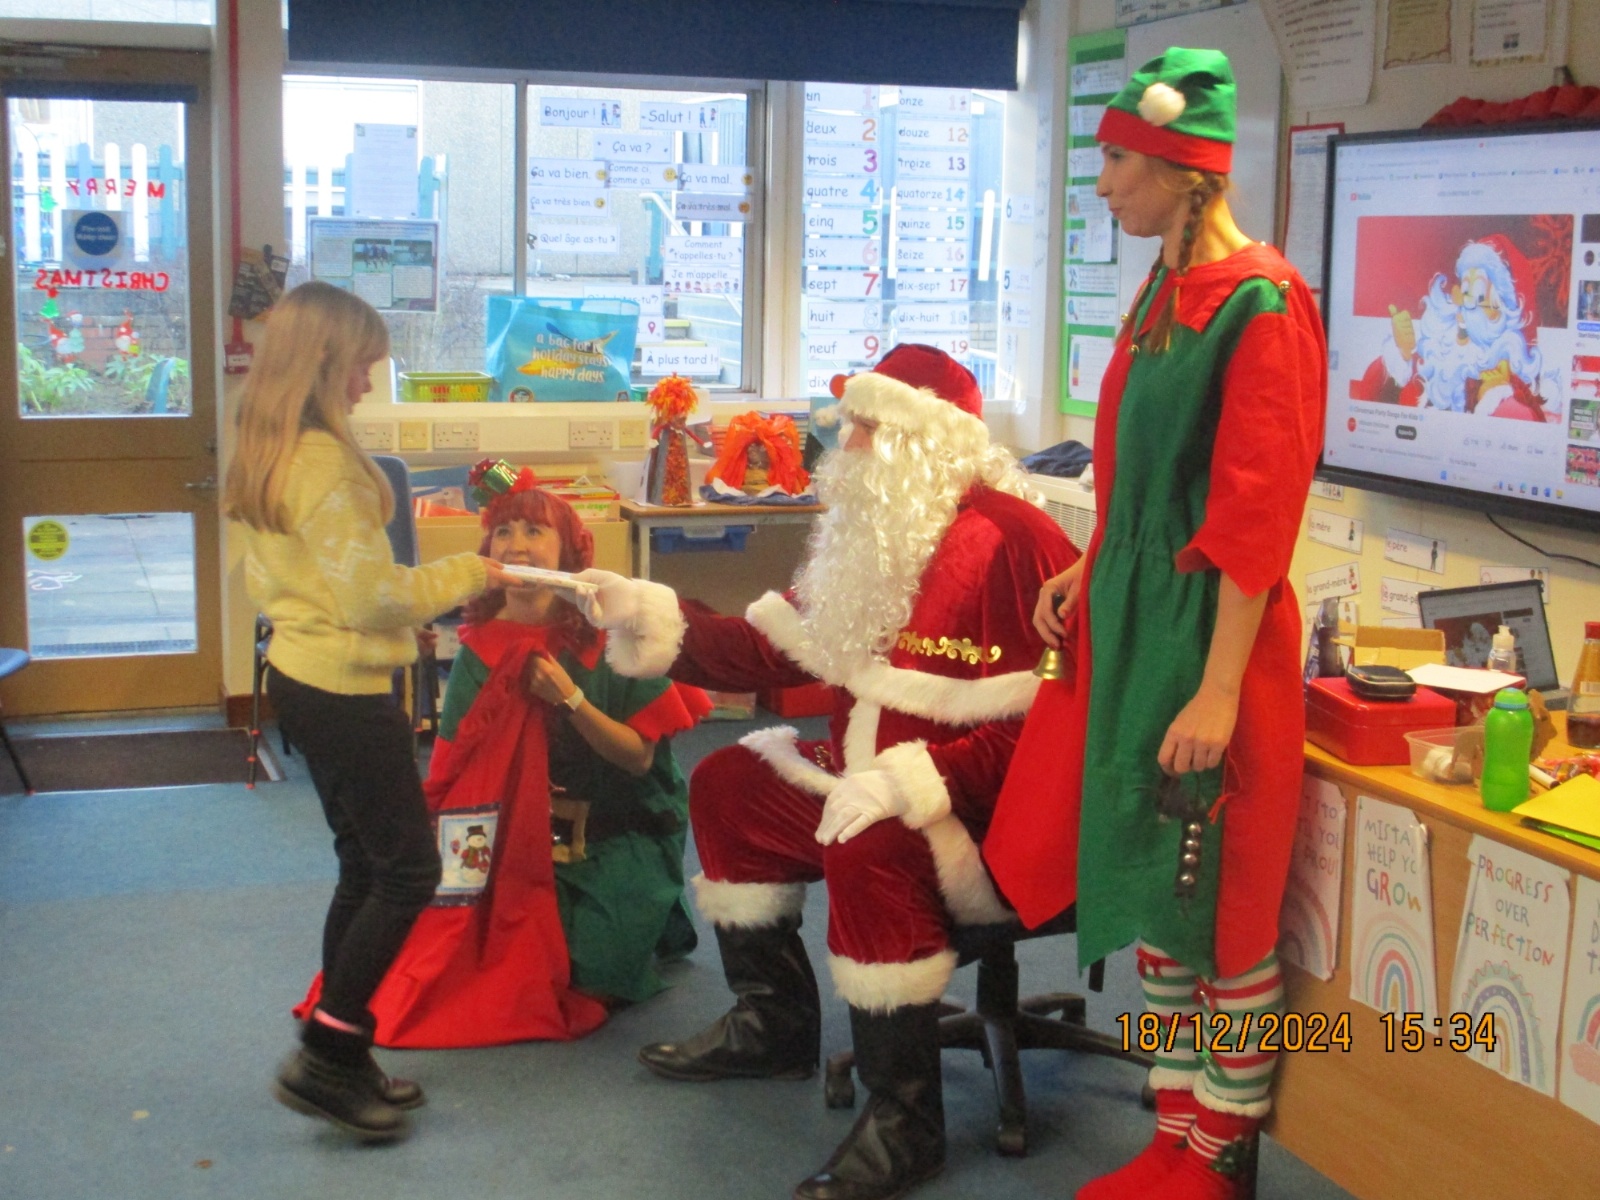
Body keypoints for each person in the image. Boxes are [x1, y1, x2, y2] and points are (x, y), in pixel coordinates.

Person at [578, 343, 1077, 1200]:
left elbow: (1054, 730)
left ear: (924, 438)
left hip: (989, 814)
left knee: (868, 835)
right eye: (850, 426)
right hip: (865, 773)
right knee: (729, 787)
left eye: (865, 428)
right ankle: (772, 1023)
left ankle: (906, 1120)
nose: (846, 447)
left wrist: (912, 781)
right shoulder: (877, 535)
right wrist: (646, 611)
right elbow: (768, 648)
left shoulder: (1014, 542)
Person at [984, 49, 1327, 1200]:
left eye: (1119, 164)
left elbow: (1254, 517)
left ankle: (1216, 1155)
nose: (1103, 188)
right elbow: (1136, 468)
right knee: (1153, 892)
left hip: (1206, 636)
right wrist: (1090, 563)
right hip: (1133, 621)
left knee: (1217, 901)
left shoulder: (1261, 305)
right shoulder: (1160, 289)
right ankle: (1172, 1136)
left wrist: (1219, 690)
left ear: (1183, 172)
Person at [223, 280, 524, 1142]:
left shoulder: (272, 446)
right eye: (361, 367)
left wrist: (408, 612)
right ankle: (327, 1051)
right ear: (324, 364)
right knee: (408, 873)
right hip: (346, 692)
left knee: (363, 866)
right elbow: (368, 598)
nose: (366, 384)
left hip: (303, 677)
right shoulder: (324, 463)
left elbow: (321, 587)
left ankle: (344, 1050)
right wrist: (472, 573)